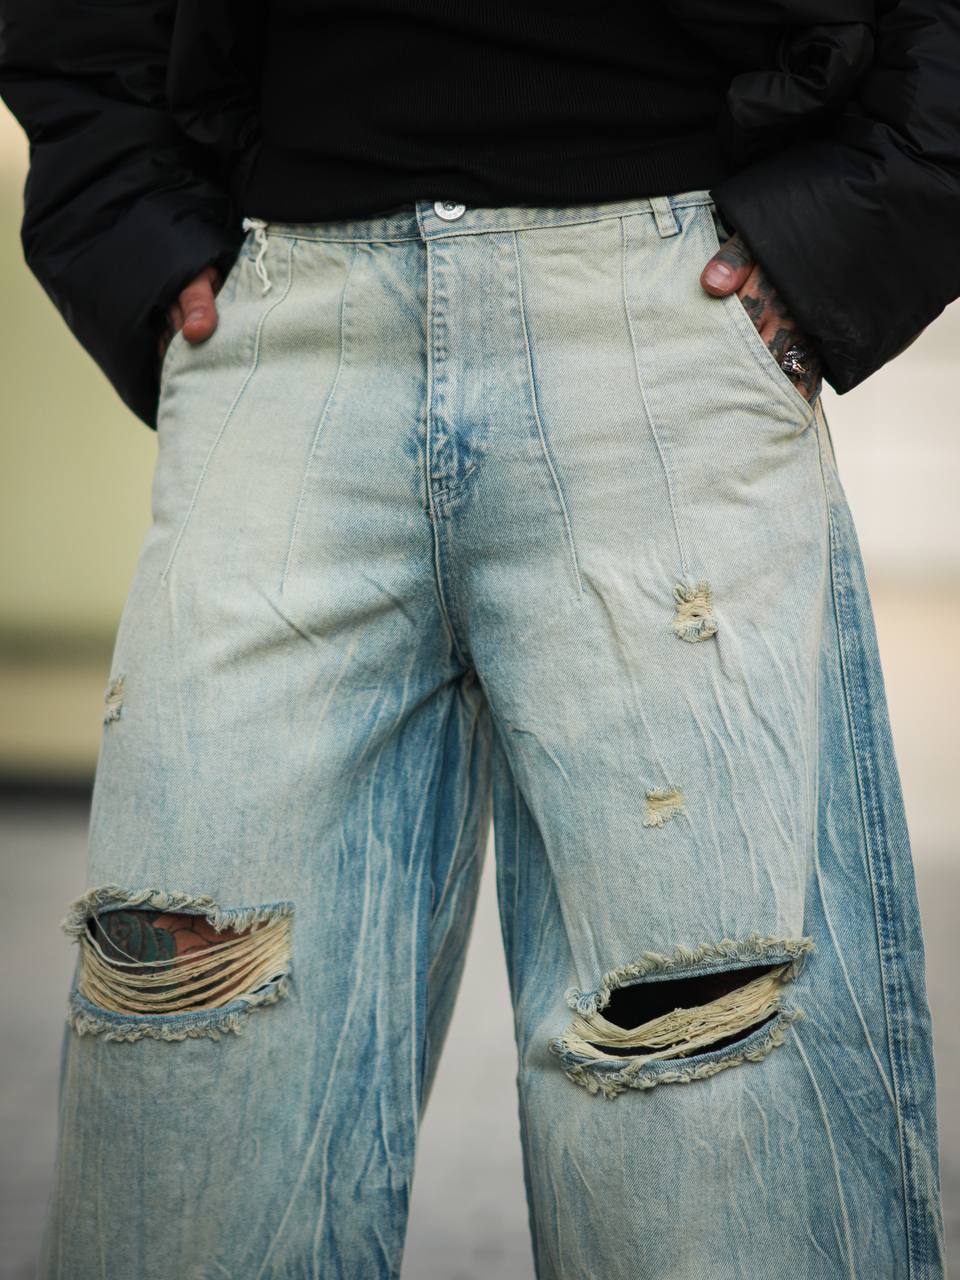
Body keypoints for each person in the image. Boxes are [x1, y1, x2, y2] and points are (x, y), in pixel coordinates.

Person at [0, 3, 953, 1276]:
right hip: (283, 327)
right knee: (180, 1095)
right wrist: (128, 218)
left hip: (665, 315)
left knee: (721, 1140)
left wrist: (865, 216)